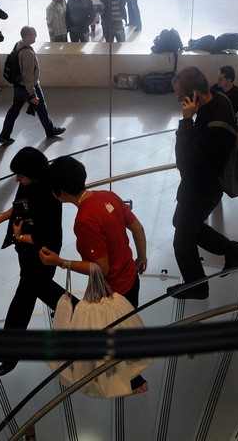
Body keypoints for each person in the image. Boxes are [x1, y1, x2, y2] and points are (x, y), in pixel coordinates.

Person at [39, 155, 149, 394]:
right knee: (126, 329)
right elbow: (137, 228)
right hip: (131, 277)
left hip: (114, 291)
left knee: (112, 334)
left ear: (59, 192)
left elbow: (100, 268)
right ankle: (132, 375)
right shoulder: (107, 196)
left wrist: (60, 262)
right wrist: (141, 258)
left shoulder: (85, 219)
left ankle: (128, 379)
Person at [0, 147, 69, 376]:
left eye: (20, 174)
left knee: (24, 299)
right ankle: (83, 315)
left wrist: (19, 236)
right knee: (40, 292)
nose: (17, 179)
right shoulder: (29, 182)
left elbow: (47, 235)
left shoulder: (50, 192)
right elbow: (20, 205)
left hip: (42, 251)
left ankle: (10, 351)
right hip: (27, 250)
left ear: (33, 172)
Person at [166, 66, 238, 299]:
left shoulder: (214, 126)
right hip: (202, 185)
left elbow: (184, 163)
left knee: (182, 241)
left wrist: (186, 122)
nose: (179, 102)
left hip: (202, 189)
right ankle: (234, 251)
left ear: (193, 94)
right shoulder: (219, 99)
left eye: (180, 97)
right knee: (182, 223)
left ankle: (198, 287)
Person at [0, 26, 65, 144]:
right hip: (28, 87)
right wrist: (32, 94)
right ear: (27, 36)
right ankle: (50, 131)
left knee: (13, 110)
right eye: (33, 34)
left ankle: (4, 135)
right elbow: (27, 75)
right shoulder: (27, 53)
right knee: (42, 109)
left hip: (18, 86)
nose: (35, 37)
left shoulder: (19, 45)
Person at [210, 65, 238, 132]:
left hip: (229, 127)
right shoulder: (214, 88)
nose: (217, 80)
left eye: (221, 79)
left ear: (229, 80)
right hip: (214, 124)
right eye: (218, 77)